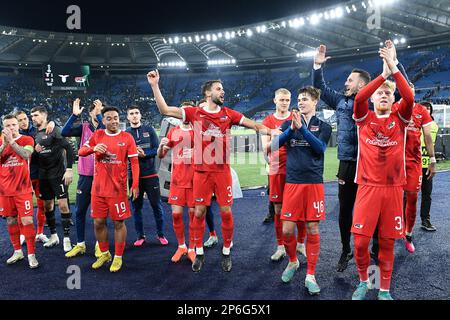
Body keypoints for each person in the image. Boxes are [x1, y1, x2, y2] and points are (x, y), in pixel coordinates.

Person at [147, 69, 273, 272]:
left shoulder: (228, 113)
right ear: (208, 93)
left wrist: (275, 130)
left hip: (222, 172)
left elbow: (254, 125)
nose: (223, 92)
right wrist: (154, 85)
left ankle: (226, 251)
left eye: (223, 89)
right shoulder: (194, 113)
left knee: (225, 211)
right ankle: (198, 252)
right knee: (198, 212)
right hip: (201, 173)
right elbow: (165, 109)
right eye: (219, 89)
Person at [312, 40, 409, 271]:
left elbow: (406, 89)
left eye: (349, 80)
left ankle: (376, 249)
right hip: (348, 162)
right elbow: (321, 89)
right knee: (345, 209)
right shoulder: (341, 101)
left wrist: (394, 62)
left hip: (374, 166)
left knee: (375, 210)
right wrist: (317, 67)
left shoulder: (375, 101)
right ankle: (346, 250)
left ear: (362, 84)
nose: (345, 83)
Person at [351, 46, 414, 300]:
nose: (384, 95)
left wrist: (394, 68)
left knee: (387, 243)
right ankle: (365, 280)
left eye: (389, 92)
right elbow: (358, 98)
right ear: (373, 99)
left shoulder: (400, 118)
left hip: (392, 189)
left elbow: (409, 97)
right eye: (380, 93)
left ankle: (384, 289)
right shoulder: (363, 117)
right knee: (360, 243)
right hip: (367, 187)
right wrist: (383, 74)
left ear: (393, 99)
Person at [271, 87, 331, 295]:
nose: (300, 102)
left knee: (313, 228)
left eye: (304, 99)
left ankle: (311, 275)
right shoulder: (288, 124)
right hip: (293, 183)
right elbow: (273, 145)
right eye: (299, 99)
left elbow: (320, 148)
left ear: (315, 102)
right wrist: (290, 130)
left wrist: (302, 130)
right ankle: (293, 261)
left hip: (313, 183)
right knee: (287, 230)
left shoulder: (324, 125)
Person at [78, 106, 140, 272]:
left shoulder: (127, 138)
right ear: (103, 120)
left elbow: (134, 162)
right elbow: (81, 151)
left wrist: (135, 184)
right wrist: (93, 148)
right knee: (98, 222)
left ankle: (118, 256)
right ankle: (105, 253)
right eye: (109, 118)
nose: (114, 121)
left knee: (119, 222)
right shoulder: (98, 135)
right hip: (98, 189)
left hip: (117, 190)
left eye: (116, 118)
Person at [261, 88, 306, 262]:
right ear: (274, 101)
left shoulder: (296, 117)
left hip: (296, 169)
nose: (285, 103)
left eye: (287, 100)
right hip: (276, 170)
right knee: (278, 210)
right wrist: (278, 136)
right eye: (281, 100)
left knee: (300, 209)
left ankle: (301, 244)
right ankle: (280, 247)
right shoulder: (268, 121)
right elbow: (265, 147)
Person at [62, 98, 104, 258]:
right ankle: (80, 244)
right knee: (80, 211)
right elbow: (65, 132)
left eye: (100, 110)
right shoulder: (84, 127)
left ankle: (100, 245)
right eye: (95, 109)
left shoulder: (104, 128)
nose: (98, 112)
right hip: (86, 177)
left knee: (100, 214)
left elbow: (104, 126)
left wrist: (101, 115)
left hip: (101, 177)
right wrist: (74, 115)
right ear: (90, 112)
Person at [398, 86, 436, 253]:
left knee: (412, 197)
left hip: (414, 163)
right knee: (392, 199)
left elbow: (427, 136)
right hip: (394, 163)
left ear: (413, 93)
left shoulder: (421, 110)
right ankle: (393, 229)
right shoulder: (393, 107)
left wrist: (433, 159)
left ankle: (408, 234)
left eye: (411, 90)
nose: (408, 92)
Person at [31, 106, 74, 252]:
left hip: (58, 174)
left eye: (36, 115)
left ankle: (67, 238)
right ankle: (54, 236)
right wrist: (35, 153)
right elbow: (35, 157)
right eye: (32, 116)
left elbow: (69, 148)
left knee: (63, 205)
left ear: (44, 116)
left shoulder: (54, 130)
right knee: (47, 206)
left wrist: (69, 169)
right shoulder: (35, 134)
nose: (33, 118)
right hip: (43, 176)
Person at [0, 114, 39, 268]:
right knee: (10, 220)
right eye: (8, 126)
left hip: (23, 189)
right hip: (5, 190)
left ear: (18, 125)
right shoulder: (1, 141)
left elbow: (26, 154)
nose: (11, 128)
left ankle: (31, 254)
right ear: (4, 127)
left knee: (27, 220)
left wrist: (11, 142)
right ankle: (17, 251)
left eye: (14, 125)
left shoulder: (27, 140)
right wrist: (5, 143)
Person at [126, 105, 168, 246]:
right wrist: (132, 154)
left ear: (140, 115)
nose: (134, 115)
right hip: (134, 178)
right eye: (131, 113)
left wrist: (144, 154)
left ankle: (161, 235)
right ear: (127, 117)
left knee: (156, 205)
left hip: (150, 175)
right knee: (136, 207)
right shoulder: (126, 134)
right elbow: (123, 154)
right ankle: (140, 236)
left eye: (136, 112)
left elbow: (157, 149)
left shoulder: (149, 130)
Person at [157, 119, 196, 263]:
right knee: (176, 215)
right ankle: (181, 246)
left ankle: (192, 249)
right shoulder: (173, 131)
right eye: (183, 111)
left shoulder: (198, 131)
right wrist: (161, 147)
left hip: (194, 182)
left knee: (193, 216)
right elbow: (161, 155)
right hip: (177, 181)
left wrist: (194, 152)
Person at [16, 111, 54, 244]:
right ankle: (22, 234)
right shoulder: (15, 136)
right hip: (22, 176)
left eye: (25, 118)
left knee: (41, 205)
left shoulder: (37, 130)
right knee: (22, 208)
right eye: (20, 120)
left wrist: (52, 122)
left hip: (38, 174)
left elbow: (51, 127)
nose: (24, 122)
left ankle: (40, 233)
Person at [419, 101, 438, 231]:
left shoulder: (434, 126)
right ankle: (402, 222)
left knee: (427, 194)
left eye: (428, 109)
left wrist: (433, 161)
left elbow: (432, 144)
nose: (426, 111)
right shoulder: (413, 124)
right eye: (423, 109)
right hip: (414, 165)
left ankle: (425, 220)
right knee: (407, 195)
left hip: (427, 166)